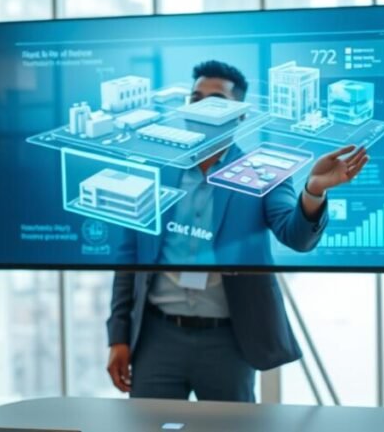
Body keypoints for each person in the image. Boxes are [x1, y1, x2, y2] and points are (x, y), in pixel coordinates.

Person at [106, 60, 369, 401]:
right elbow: (129, 256)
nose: (200, 108)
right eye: (195, 97)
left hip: (228, 340)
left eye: (215, 100)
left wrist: (314, 191)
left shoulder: (261, 172)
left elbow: (297, 236)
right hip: (156, 335)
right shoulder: (154, 168)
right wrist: (118, 337)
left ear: (239, 115)